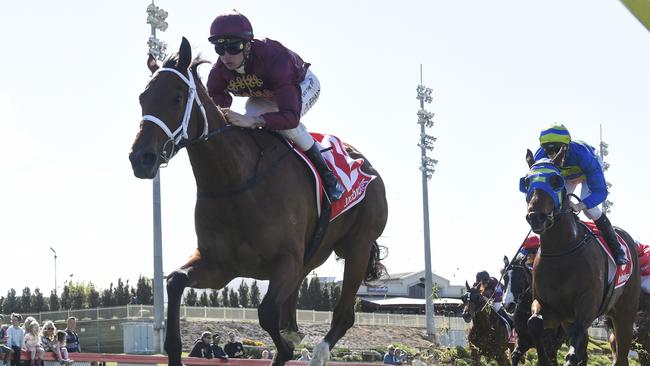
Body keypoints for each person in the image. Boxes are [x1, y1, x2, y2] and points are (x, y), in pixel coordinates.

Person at [206, 10, 345, 202]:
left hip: (302, 86)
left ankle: (329, 177)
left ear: (247, 45)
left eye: (234, 46)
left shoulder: (274, 58)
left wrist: (254, 120)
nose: (227, 56)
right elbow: (217, 110)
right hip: (265, 95)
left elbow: (290, 116)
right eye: (220, 49)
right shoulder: (218, 72)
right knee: (246, 129)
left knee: (288, 127)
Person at [534, 123, 626, 265]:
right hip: (566, 176)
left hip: (586, 173)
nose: (551, 155)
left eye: (556, 149)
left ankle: (617, 249)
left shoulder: (583, 155)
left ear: (566, 146)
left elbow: (601, 192)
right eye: (547, 150)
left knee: (590, 210)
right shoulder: (539, 157)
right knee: (553, 204)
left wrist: (580, 205)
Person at [475, 271, 515, 338]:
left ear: (487, 280)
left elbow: (499, 295)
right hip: (487, 300)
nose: (482, 286)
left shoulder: (495, 283)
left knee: (496, 307)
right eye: (480, 284)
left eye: (483, 283)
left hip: (499, 299)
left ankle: (512, 332)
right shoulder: (477, 284)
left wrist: (490, 300)